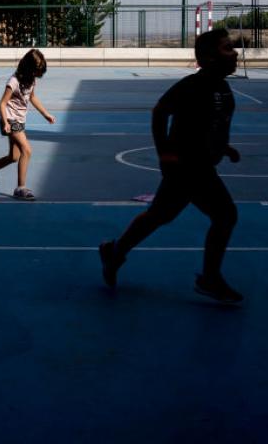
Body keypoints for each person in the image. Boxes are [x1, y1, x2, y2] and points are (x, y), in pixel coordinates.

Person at [98, 28, 244, 305]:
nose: (235, 52)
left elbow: (209, 124)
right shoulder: (193, 85)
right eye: (227, 48)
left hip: (199, 166)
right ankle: (209, 278)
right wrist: (164, 153)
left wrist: (223, 147)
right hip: (188, 168)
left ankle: (114, 251)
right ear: (210, 58)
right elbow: (159, 112)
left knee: (159, 216)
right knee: (225, 215)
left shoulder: (222, 89)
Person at [0, 48, 55, 201]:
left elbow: (33, 98)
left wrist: (46, 114)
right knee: (27, 150)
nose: (38, 75)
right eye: (37, 71)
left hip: (19, 120)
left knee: (14, 157)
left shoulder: (31, 80)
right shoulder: (14, 81)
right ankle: (20, 188)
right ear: (29, 68)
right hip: (10, 120)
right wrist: (5, 122)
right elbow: (2, 104)